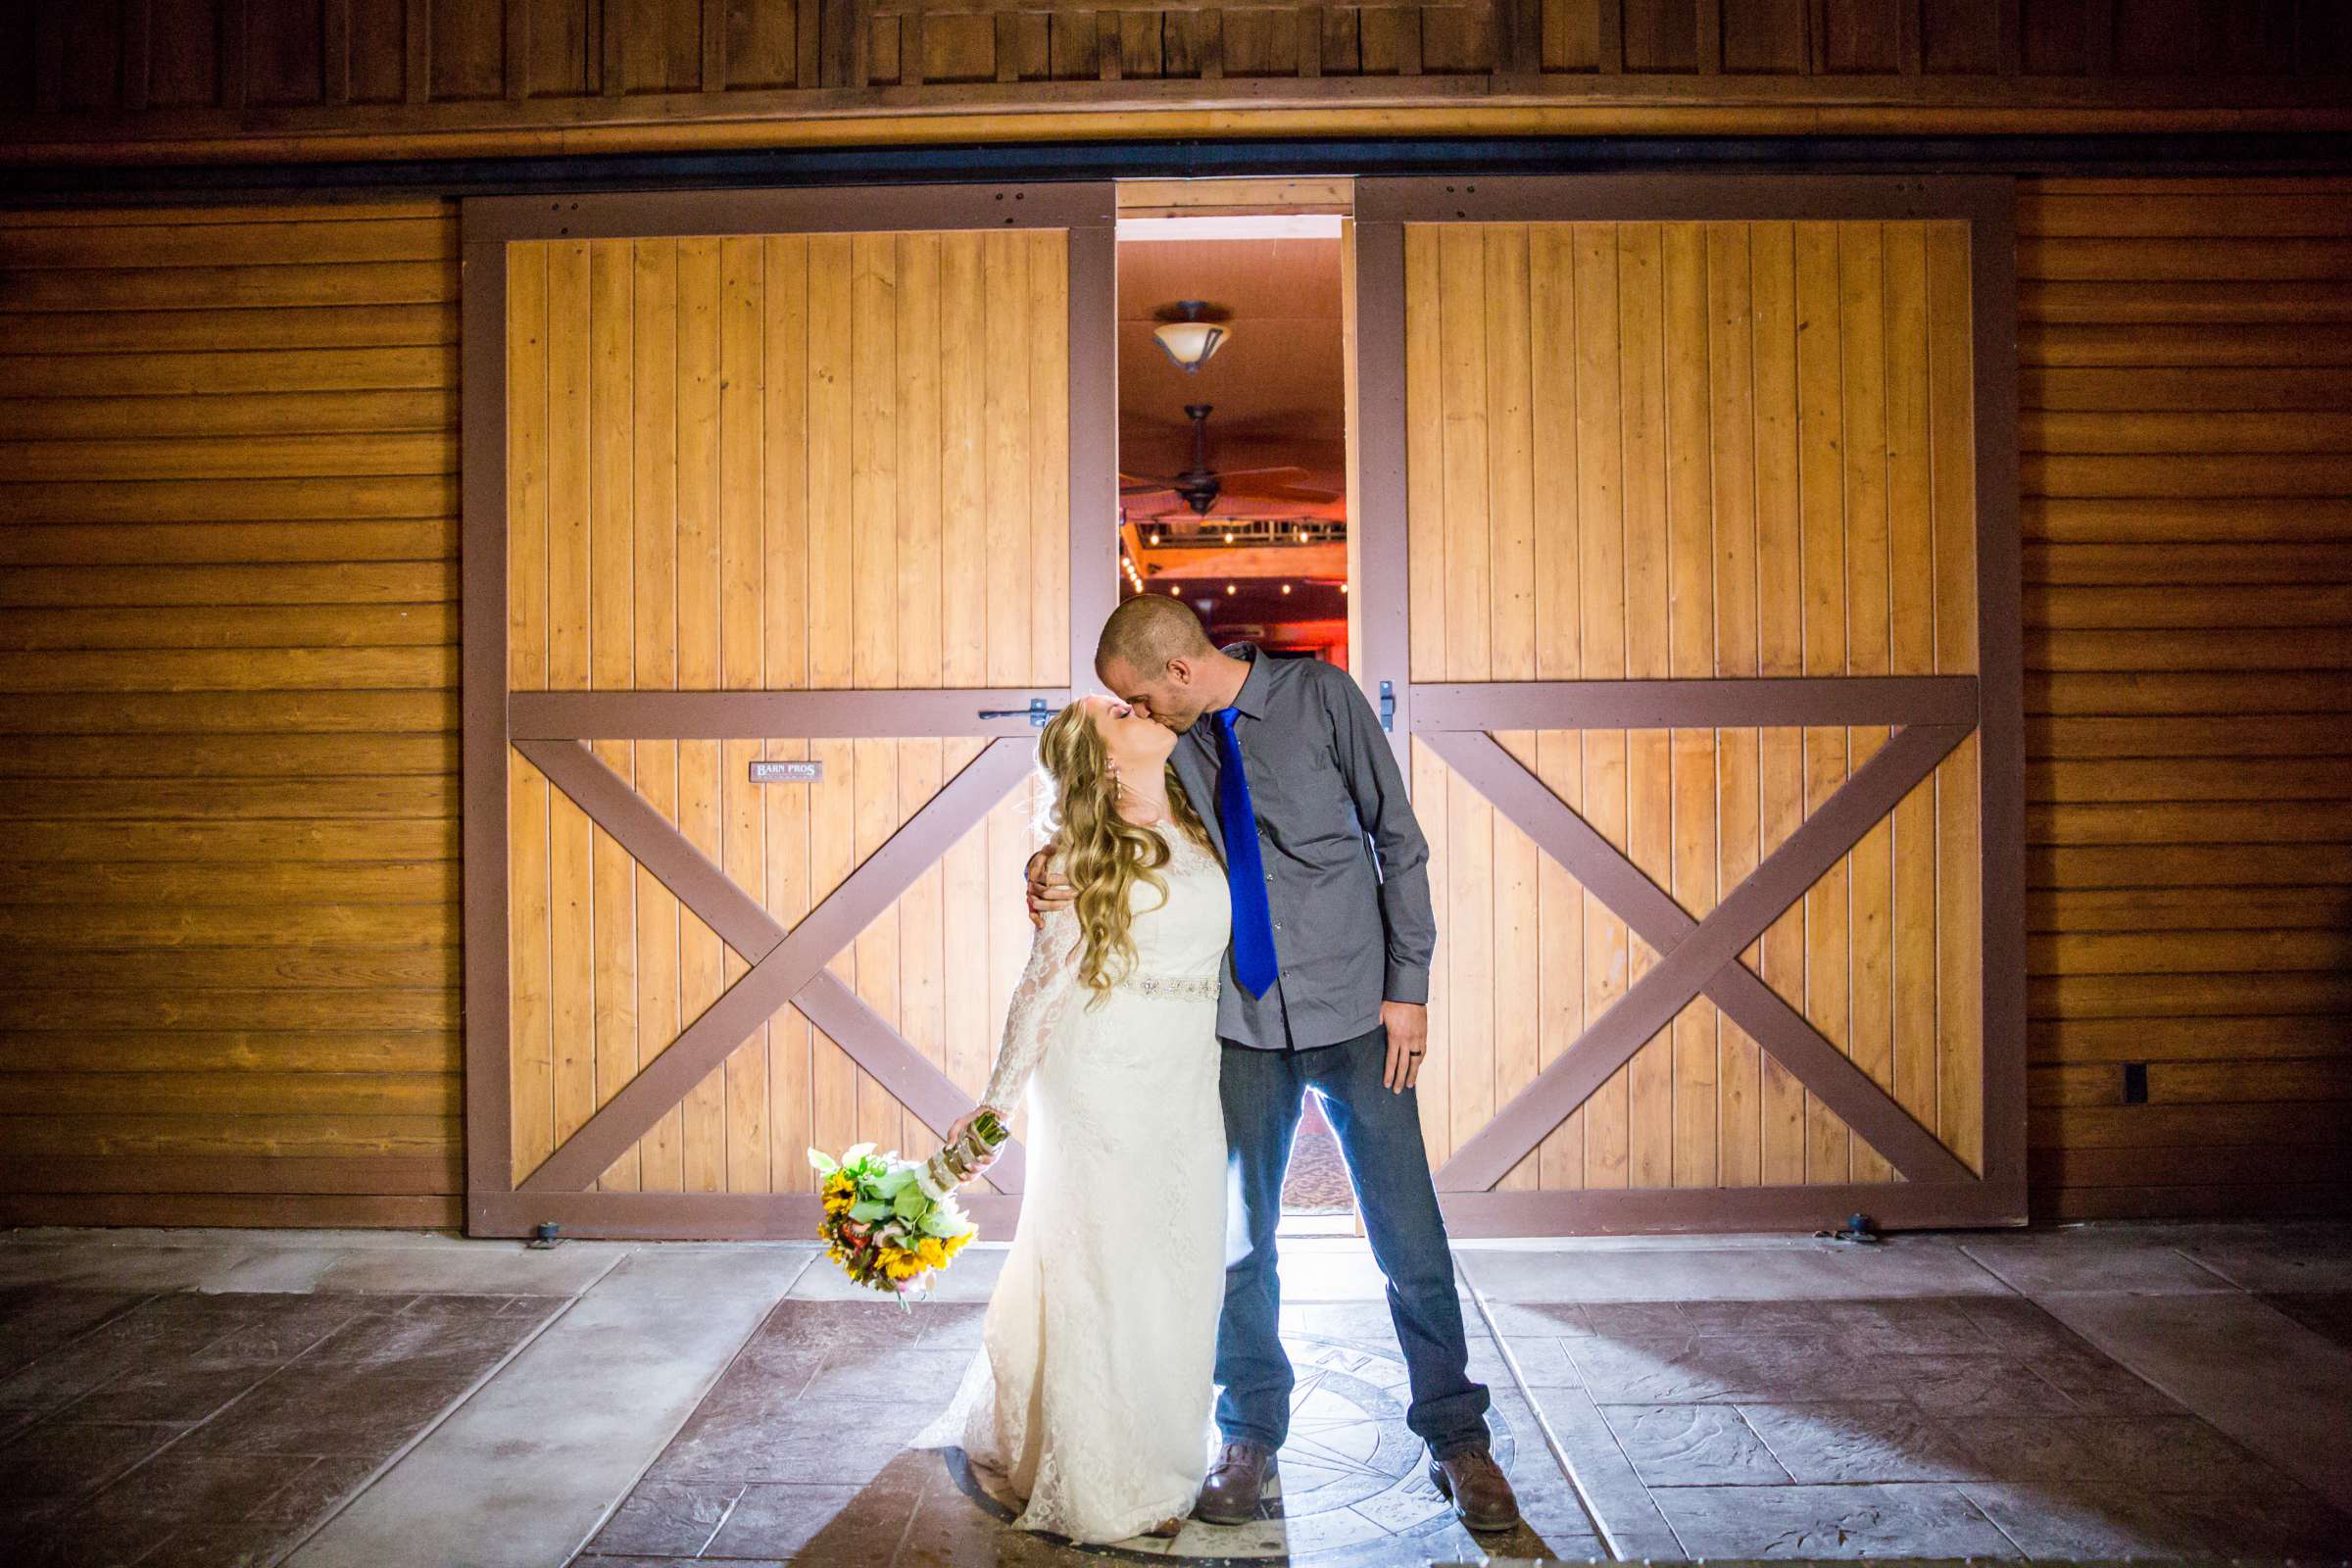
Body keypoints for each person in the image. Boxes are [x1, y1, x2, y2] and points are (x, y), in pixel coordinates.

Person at [1029, 595, 1520, 1534]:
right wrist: (1048, 865)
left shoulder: (1324, 699)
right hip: (1239, 1026)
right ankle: (1249, 1432)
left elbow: (1399, 841)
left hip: (1354, 1012)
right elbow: (1117, 818)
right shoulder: (1173, 748)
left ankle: (1458, 1440)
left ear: (1178, 670)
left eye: (1139, 696)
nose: (1138, 715)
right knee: (1240, 1240)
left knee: (1407, 1232)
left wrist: (1408, 988)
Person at [915, 693, 1233, 1545]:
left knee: (1181, 1260)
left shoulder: (1200, 807)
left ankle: (1165, 1449)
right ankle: (1105, 1476)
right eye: (1122, 712)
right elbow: (1042, 986)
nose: (1143, 709)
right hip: (1102, 1075)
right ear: (1102, 759)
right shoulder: (1077, 860)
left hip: (1188, 1072)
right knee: (1110, 1267)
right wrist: (993, 1108)